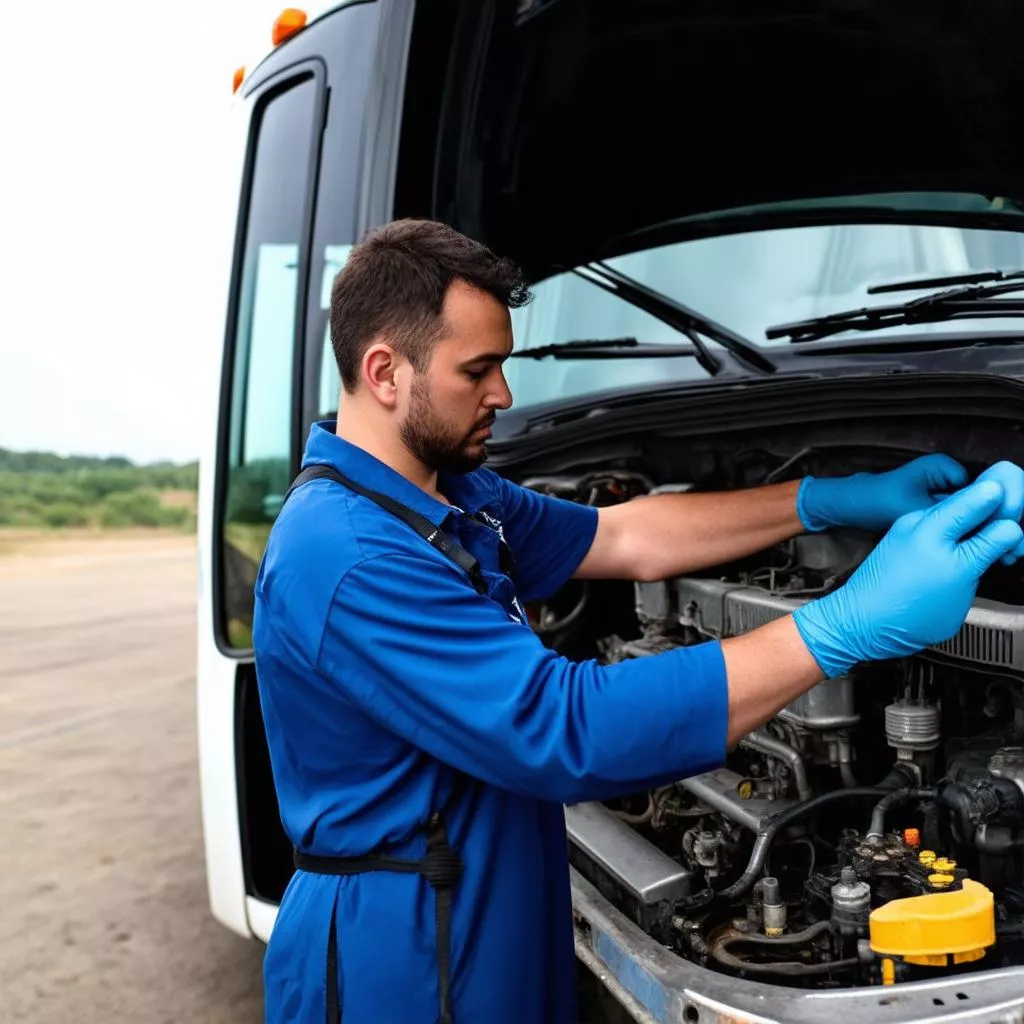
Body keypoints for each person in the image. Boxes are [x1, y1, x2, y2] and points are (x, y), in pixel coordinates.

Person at [253, 218, 1024, 1024]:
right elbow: (565, 728)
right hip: (402, 959)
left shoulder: (446, 495)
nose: (503, 395)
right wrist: (845, 624)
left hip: (478, 907)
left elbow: (624, 536)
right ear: (384, 371)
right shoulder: (347, 554)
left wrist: (826, 500)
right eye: (476, 370)